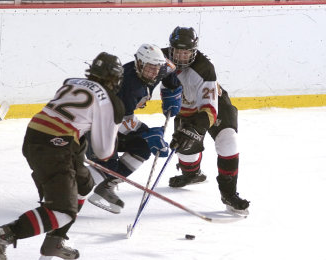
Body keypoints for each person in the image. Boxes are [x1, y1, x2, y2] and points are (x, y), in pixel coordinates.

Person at [0, 52, 125, 260]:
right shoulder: (111, 101)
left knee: (83, 186)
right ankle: (3, 235)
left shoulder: (71, 82)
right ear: (115, 79)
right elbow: (104, 152)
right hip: (55, 148)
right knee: (63, 210)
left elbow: (72, 118)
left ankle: (55, 241)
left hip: (37, 136)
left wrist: (76, 145)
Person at [161, 26, 250, 214]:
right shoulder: (159, 59)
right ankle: (192, 174)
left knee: (228, 141)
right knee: (185, 152)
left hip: (214, 107)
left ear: (194, 51)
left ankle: (229, 194)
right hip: (185, 109)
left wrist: (194, 130)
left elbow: (209, 111)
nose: (182, 57)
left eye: (187, 52)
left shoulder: (204, 68)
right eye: (178, 51)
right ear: (171, 48)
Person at [86, 44, 183, 214]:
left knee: (142, 147)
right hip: (96, 129)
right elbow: (120, 122)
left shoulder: (161, 68)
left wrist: (172, 92)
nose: (154, 73)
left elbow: (170, 71)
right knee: (105, 167)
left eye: (157, 68)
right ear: (139, 64)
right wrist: (147, 133)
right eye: (149, 68)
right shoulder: (126, 85)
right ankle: (67, 193)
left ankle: (107, 187)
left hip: (114, 125)